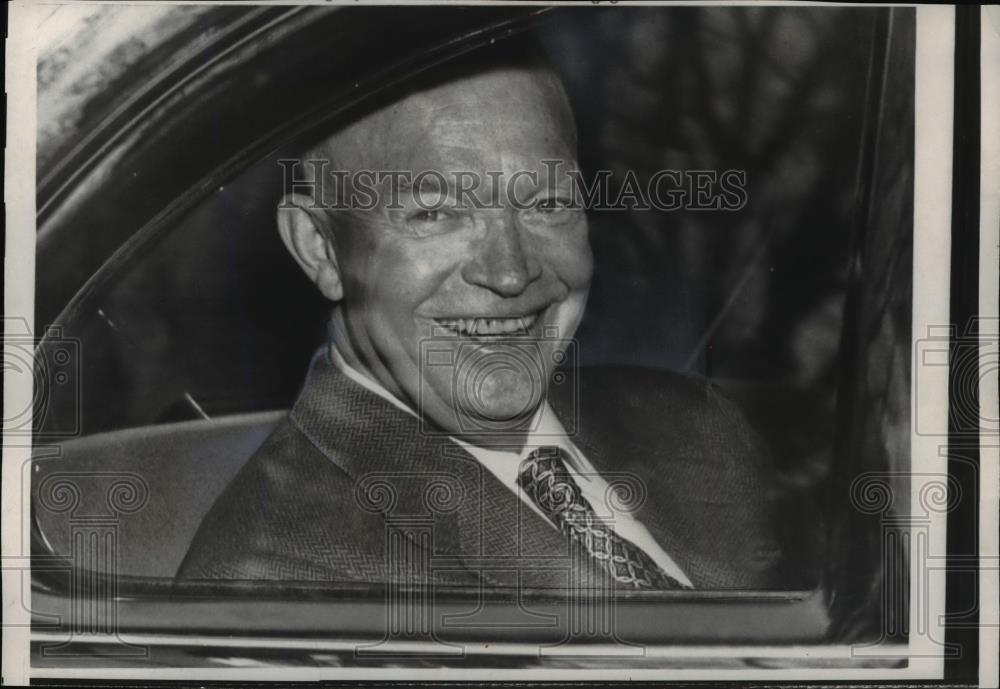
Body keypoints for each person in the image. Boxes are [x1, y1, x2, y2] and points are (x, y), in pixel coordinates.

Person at [177, 49, 782, 590]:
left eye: (548, 204)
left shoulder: (703, 424)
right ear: (320, 247)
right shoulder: (270, 583)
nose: (511, 272)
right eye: (436, 214)